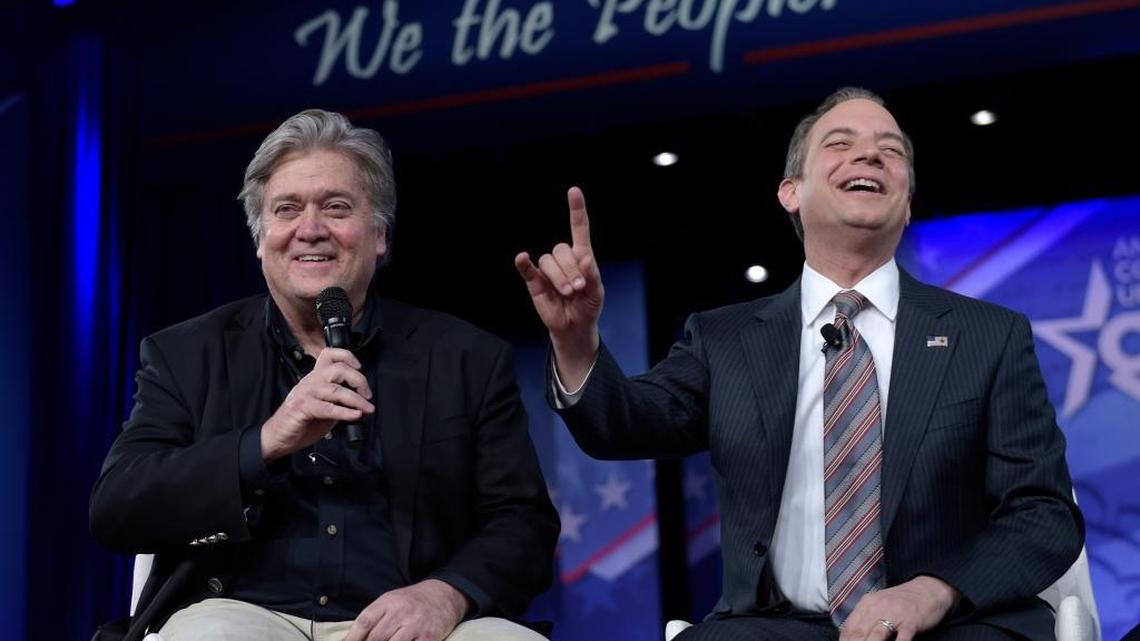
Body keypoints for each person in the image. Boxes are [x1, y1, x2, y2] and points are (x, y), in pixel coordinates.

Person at [515, 87, 1083, 641]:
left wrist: (932, 591)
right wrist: (576, 342)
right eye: (841, 144)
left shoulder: (988, 336)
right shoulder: (724, 340)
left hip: (950, 625)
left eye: (890, 150)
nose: (869, 155)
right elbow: (623, 425)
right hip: (776, 626)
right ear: (791, 192)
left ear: (908, 202)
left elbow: (1043, 513)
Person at [91, 109, 559, 641]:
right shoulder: (185, 354)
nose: (310, 230)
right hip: (242, 611)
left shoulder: (465, 357)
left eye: (336, 207)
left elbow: (524, 521)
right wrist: (266, 442)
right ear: (261, 237)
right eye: (287, 209)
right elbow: (117, 508)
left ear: (379, 235)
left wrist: (446, 593)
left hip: (409, 617)